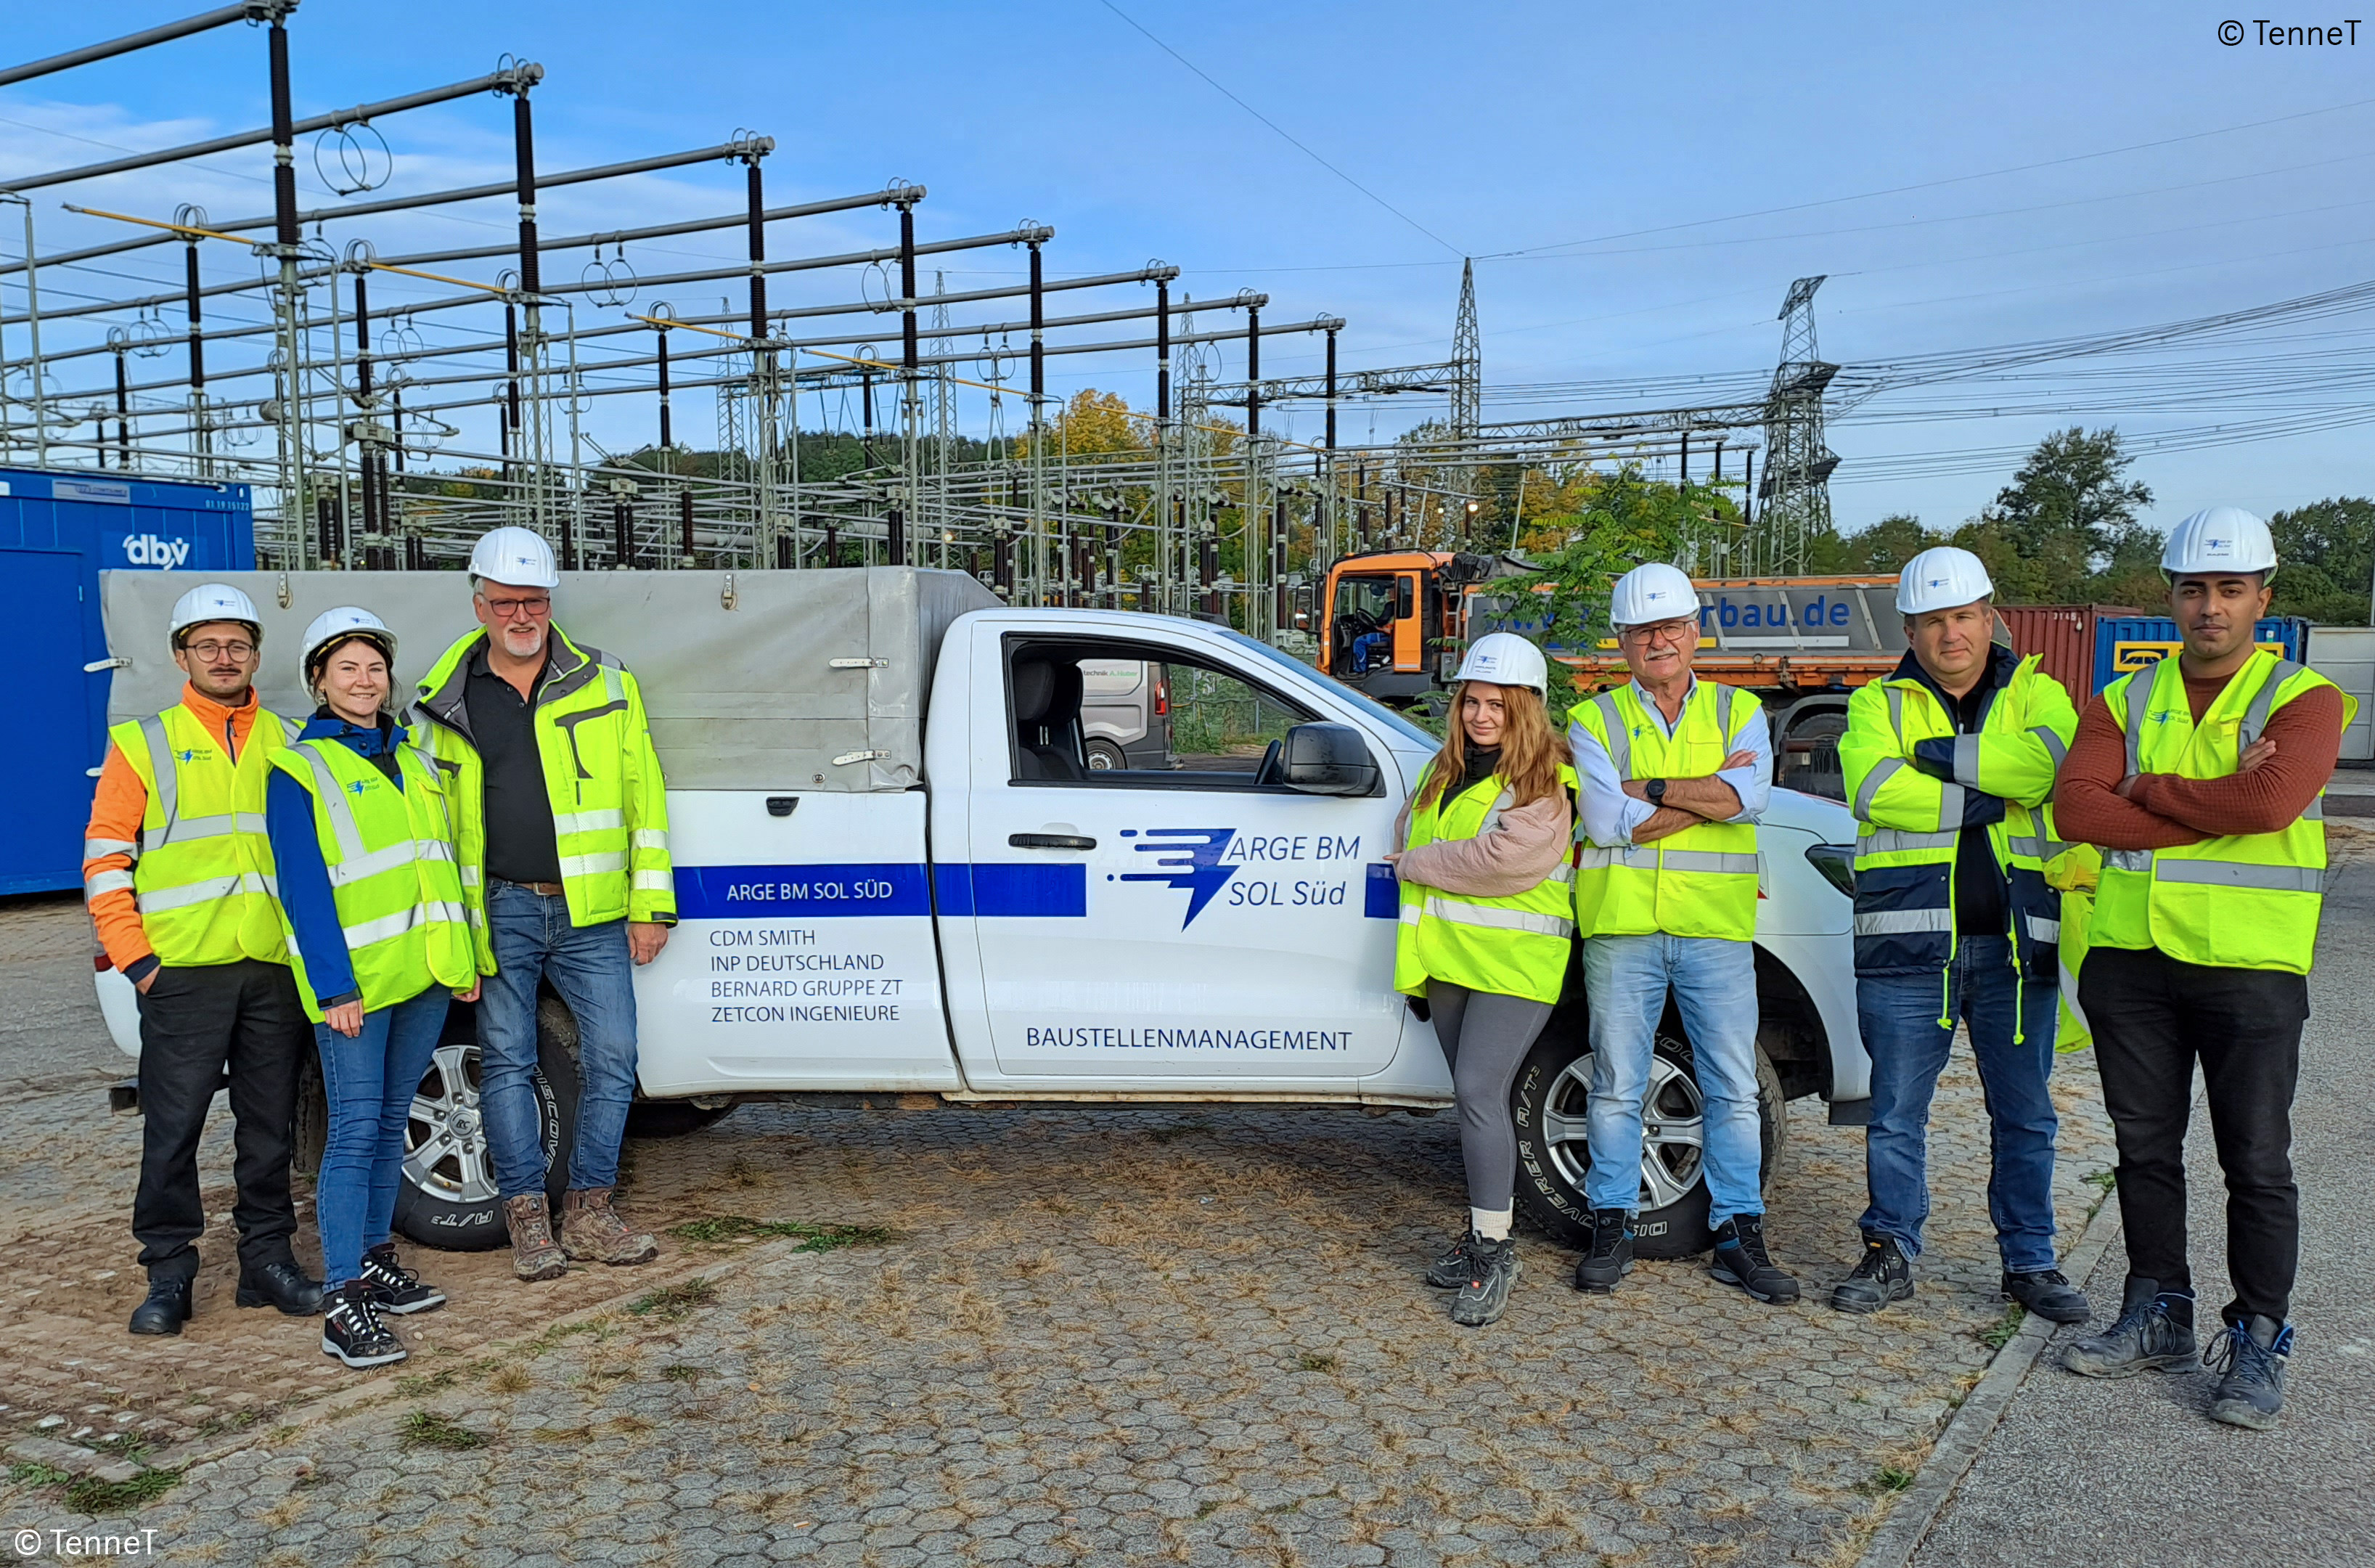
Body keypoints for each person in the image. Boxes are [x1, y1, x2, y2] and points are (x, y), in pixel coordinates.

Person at [2053, 507, 2351, 1431]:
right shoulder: (2121, 699)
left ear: (2261, 597)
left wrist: (2141, 789)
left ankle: (2258, 1338)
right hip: (2131, 960)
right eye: (2193, 589)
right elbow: (2076, 811)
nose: (2209, 607)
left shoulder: (2302, 697)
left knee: (2254, 1161)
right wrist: (2206, 799)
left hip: (2248, 967)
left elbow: (2270, 803)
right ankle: (2157, 1313)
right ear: (2169, 597)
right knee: (2143, 1151)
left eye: (2228, 590)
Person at [1828, 547, 2090, 1324]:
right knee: (1894, 1113)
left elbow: (2047, 769)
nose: (1950, 634)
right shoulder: (1875, 704)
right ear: (1908, 629)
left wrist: (1934, 758)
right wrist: (1986, 796)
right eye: (1933, 621)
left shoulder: (2039, 694)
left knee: (2026, 1116)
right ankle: (1888, 1251)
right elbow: (1870, 790)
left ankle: (2029, 1262)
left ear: (1989, 616)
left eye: (1963, 616)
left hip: (2017, 949)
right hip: (1906, 950)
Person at [411, 526, 676, 1281]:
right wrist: (450, 939)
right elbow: (427, 834)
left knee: (616, 1058)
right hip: (499, 909)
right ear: (479, 604)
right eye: (504, 602)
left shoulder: (606, 682)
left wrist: (649, 905)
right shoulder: (439, 703)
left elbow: (642, 800)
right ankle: (527, 1217)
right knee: (507, 1063)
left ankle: (589, 1210)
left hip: (591, 911)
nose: (520, 615)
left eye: (532, 600)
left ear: (549, 600)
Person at [83, 584, 322, 1335]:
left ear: (256, 654)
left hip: (272, 970)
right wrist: (138, 961)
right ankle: (169, 1271)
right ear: (181, 655)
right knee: (174, 1128)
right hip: (180, 974)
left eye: (238, 645)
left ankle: (267, 1261)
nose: (225, 657)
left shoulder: (291, 739)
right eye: (208, 645)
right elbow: (104, 860)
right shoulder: (142, 742)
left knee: (268, 1128)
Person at [1568, 563, 1795, 1303]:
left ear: (1694, 632)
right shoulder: (1592, 719)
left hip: (1712, 930)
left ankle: (1738, 1231)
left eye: (1668, 627)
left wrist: (1651, 791)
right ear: (1623, 642)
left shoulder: (1739, 712)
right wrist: (1709, 794)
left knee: (1731, 1087)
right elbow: (1605, 822)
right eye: (1641, 631)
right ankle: (1612, 1221)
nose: (1656, 641)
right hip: (1622, 928)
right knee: (1613, 1087)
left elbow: (1750, 797)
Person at [266, 609, 479, 1368]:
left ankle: (376, 1257)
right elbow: (304, 890)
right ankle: (342, 1300)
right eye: (347, 669)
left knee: (391, 1122)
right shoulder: (298, 770)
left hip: (422, 975)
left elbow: (443, 868)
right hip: (355, 987)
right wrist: (332, 987)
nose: (365, 681)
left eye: (374, 667)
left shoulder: (415, 762)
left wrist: (462, 959)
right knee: (354, 1132)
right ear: (319, 682)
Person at [1391, 633, 1577, 1327]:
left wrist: (1418, 861)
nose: (1480, 715)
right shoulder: (1446, 772)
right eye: (1472, 701)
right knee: (1473, 1102)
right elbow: (1422, 834)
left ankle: (1496, 1250)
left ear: (1526, 707)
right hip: (1449, 963)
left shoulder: (1543, 778)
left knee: (1477, 1093)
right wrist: (1431, 854)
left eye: (1498, 704)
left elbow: (1507, 860)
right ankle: (1480, 1235)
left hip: (1513, 967)